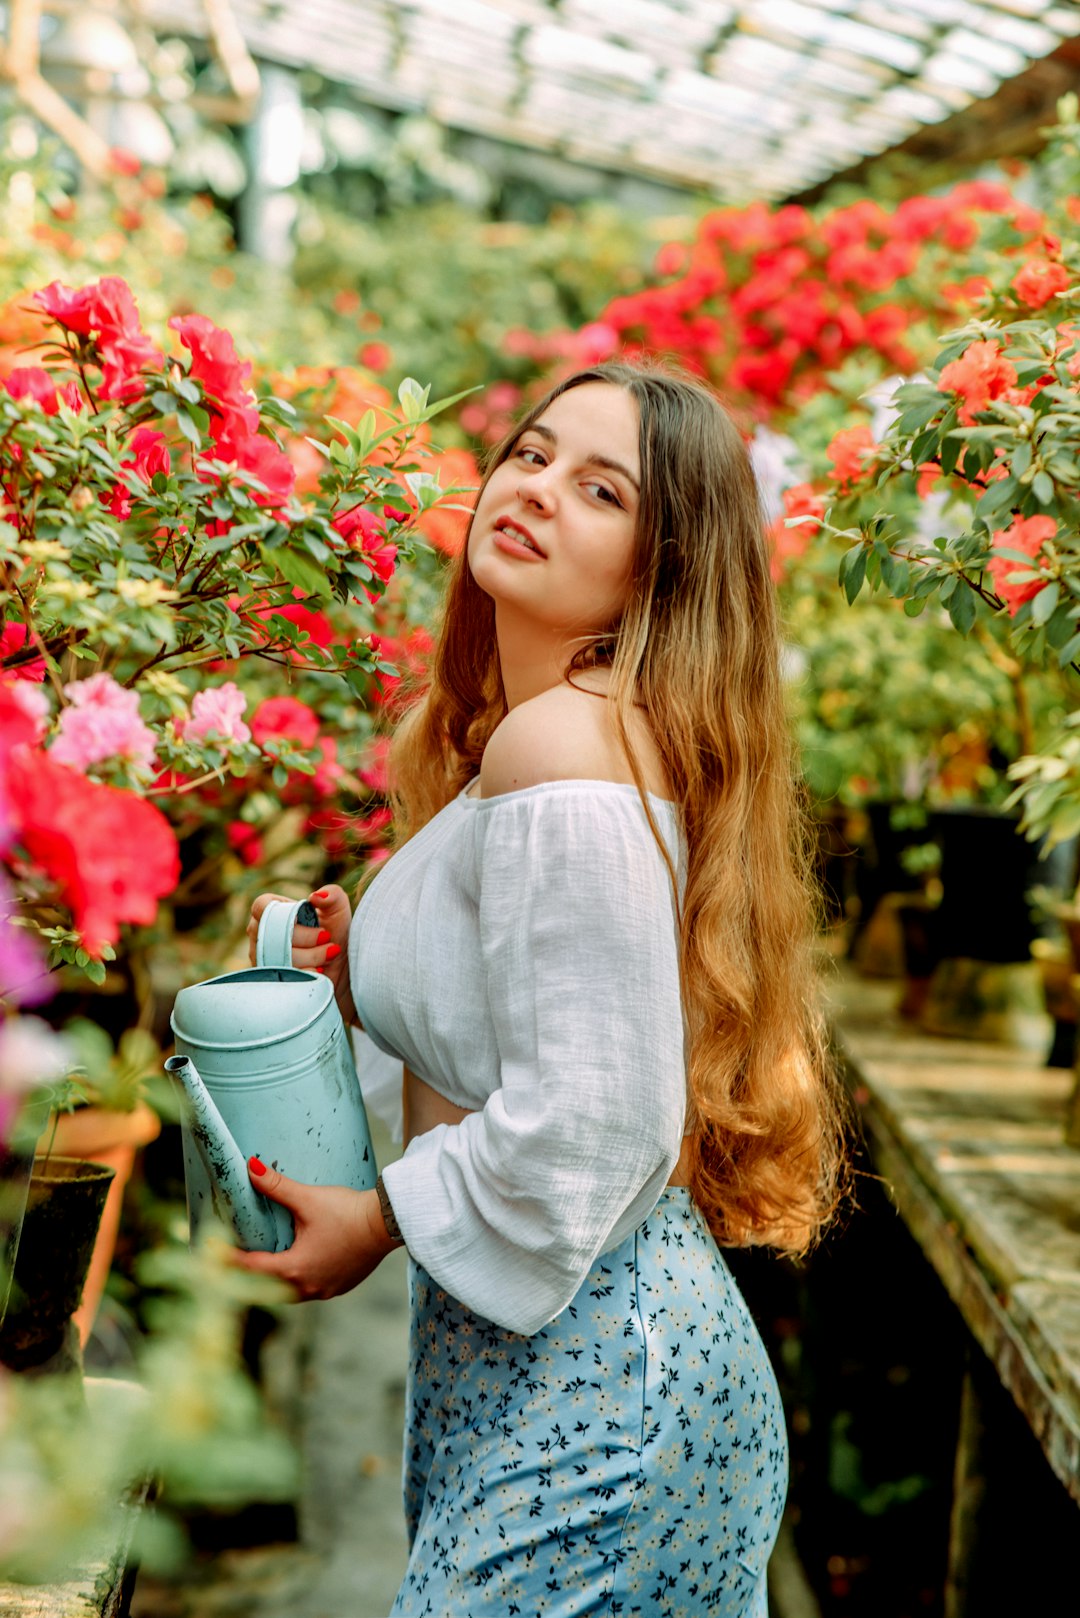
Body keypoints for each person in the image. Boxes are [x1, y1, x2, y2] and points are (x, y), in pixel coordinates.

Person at [239, 359, 850, 1618]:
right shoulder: (552, 732)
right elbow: (549, 1029)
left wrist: (380, 1219)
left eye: (600, 487)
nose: (536, 489)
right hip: (559, 1366)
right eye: (529, 453)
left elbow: (599, 1118)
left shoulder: (560, 742)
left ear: (660, 568)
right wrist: (370, 974)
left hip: (599, 1389)